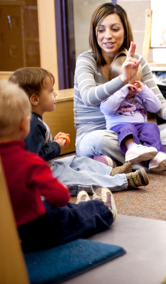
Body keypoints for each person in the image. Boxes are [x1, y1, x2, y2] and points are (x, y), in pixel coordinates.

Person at [74, 2, 166, 167]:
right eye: (101, 30)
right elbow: (89, 97)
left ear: (125, 32)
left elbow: (158, 101)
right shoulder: (86, 60)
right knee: (98, 141)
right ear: (94, 33)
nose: (107, 35)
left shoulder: (138, 62)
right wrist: (122, 79)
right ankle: (163, 155)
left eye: (115, 29)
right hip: (98, 135)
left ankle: (118, 161)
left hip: (136, 132)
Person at [0, 79, 116, 252]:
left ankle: (79, 206)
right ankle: (102, 210)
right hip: (35, 231)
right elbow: (60, 197)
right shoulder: (29, 162)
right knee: (73, 216)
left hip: (8, 230)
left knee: (50, 206)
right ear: (25, 125)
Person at [9, 67, 148, 195]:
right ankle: (123, 181)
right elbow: (36, 155)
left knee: (77, 161)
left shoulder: (33, 120)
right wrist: (57, 145)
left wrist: (52, 142)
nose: (56, 93)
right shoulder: (32, 124)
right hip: (40, 175)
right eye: (51, 91)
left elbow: (35, 146)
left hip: (47, 166)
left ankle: (110, 172)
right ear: (35, 99)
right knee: (80, 177)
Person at [100, 52, 166, 173]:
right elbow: (107, 110)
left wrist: (144, 90)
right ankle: (132, 148)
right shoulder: (111, 93)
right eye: (125, 83)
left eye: (134, 83)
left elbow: (155, 107)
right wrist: (121, 91)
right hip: (119, 128)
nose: (130, 88)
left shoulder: (139, 94)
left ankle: (157, 157)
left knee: (151, 126)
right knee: (128, 127)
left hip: (140, 127)